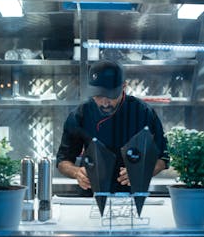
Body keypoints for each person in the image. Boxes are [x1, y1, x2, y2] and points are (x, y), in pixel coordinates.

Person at [56, 60, 169, 196]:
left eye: (110, 95)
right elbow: (63, 160)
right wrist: (77, 172)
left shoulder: (143, 112)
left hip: (132, 196)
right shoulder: (80, 114)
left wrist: (144, 171)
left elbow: (162, 157)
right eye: (98, 95)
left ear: (123, 87)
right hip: (91, 195)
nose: (104, 102)